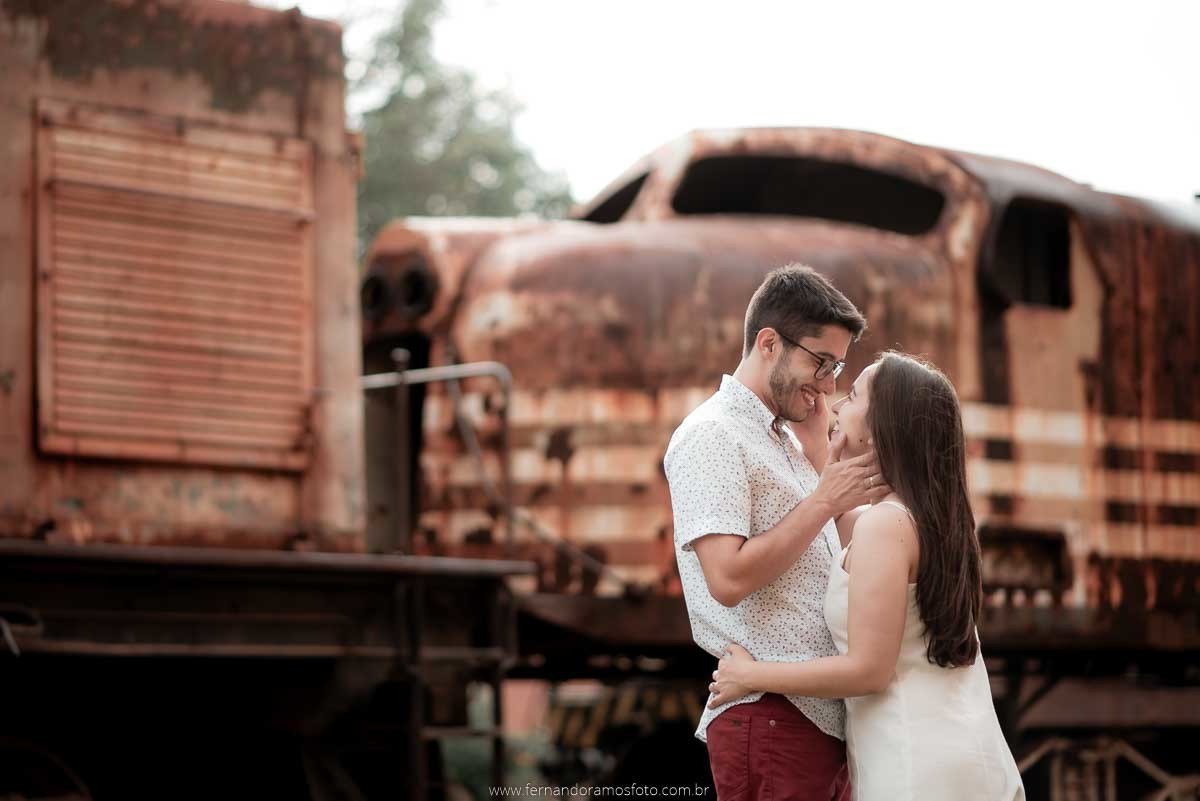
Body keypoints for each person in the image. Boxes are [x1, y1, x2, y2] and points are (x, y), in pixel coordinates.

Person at [708, 352, 1025, 801]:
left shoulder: (885, 526)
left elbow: (869, 670)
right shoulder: (923, 520)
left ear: (881, 429)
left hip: (915, 762)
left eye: (852, 395)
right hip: (965, 752)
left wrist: (753, 675)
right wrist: (825, 448)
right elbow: (832, 523)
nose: (835, 405)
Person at [664, 264, 891, 801]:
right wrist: (824, 499)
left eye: (837, 367)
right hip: (771, 718)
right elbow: (727, 577)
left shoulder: (783, 440)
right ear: (768, 343)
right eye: (820, 362)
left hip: (810, 717)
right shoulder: (712, 434)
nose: (829, 385)